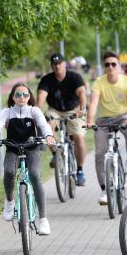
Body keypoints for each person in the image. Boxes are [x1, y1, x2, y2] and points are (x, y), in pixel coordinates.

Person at [0, 83, 55, 235]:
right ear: (13, 97)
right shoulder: (7, 112)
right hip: (13, 149)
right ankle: (9, 201)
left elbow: (43, 124)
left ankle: (43, 219)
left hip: (32, 148)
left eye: (25, 94)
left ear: (29, 97)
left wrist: (49, 135)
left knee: (35, 175)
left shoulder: (34, 111)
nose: (22, 97)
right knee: (9, 172)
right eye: (18, 94)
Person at [86, 51, 127, 205]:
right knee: (99, 153)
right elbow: (93, 103)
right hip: (103, 120)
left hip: (122, 117)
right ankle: (104, 190)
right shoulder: (99, 82)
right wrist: (90, 120)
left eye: (113, 64)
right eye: (107, 64)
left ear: (119, 66)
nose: (110, 67)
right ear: (104, 67)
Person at [36, 53, 88, 186]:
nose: (57, 66)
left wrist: (82, 109)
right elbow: (41, 97)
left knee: (79, 137)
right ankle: (55, 153)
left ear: (65, 64)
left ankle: (80, 170)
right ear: (51, 66)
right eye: (54, 64)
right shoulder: (47, 80)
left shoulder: (74, 77)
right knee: (46, 126)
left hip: (74, 110)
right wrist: (37, 113)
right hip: (55, 110)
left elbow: (82, 93)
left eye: (59, 63)